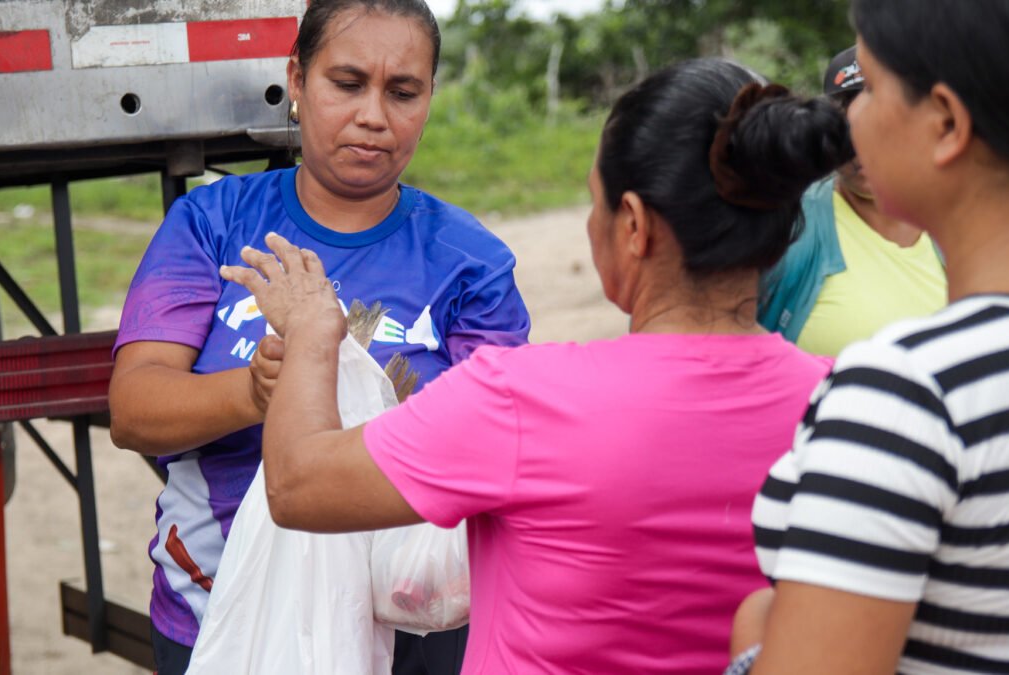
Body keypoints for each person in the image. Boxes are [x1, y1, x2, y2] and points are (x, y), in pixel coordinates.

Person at [219, 58, 853, 673]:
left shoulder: (523, 398)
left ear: (633, 225)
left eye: (595, 202)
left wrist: (309, 332)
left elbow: (299, 487)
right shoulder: (845, 403)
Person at [107, 1, 530, 673]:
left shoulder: (470, 261)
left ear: (428, 98)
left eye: (402, 91)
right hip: (215, 617)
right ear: (297, 81)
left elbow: (502, 452)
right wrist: (259, 389)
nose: (373, 115)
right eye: (347, 81)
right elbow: (133, 412)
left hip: (409, 628)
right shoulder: (212, 225)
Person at [728, 1, 1009, 673]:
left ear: (946, 123)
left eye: (874, 87)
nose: (848, 123)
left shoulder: (908, 394)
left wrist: (752, 645)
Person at [758, 45, 947, 356]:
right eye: (845, 133)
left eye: (880, 128)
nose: (861, 150)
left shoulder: (954, 229)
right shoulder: (792, 228)